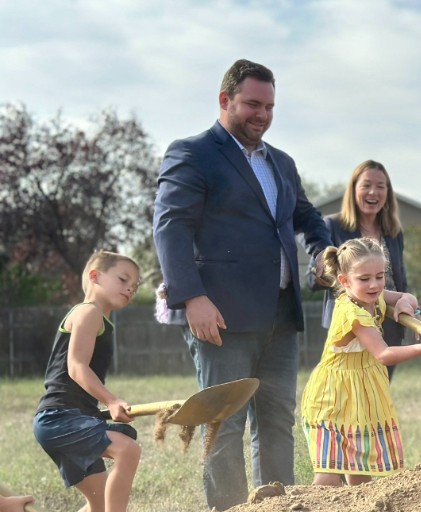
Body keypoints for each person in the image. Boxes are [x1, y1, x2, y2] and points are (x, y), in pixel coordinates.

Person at [152, 59, 333, 509]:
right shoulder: (192, 153)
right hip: (221, 317)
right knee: (224, 424)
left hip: (280, 316)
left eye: (270, 106)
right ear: (224, 100)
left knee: (277, 421)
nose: (263, 115)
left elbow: (307, 217)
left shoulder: (282, 163)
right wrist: (191, 296)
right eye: (253, 103)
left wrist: (325, 252)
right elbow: (170, 226)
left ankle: (278, 506)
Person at [300, 238, 421, 486]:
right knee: (329, 474)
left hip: (361, 397)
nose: (374, 285)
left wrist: (408, 305)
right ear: (344, 281)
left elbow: (406, 295)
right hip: (333, 397)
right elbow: (384, 355)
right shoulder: (352, 313)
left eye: (379, 276)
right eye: (364, 279)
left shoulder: (372, 297)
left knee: (361, 473)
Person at [33, 251, 142, 512]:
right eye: (123, 279)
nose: (130, 288)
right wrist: (112, 400)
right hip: (60, 418)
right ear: (95, 276)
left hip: (63, 419)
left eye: (135, 287)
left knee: (100, 503)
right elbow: (76, 367)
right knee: (127, 451)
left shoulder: (100, 320)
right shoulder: (88, 312)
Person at [308, 160, 408, 380]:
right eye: (366, 185)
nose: (373, 192)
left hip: (388, 323)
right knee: (347, 395)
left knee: (378, 395)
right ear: (353, 189)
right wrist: (339, 274)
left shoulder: (393, 232)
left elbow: (401, 280)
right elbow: (311, 280)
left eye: (381, 186)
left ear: (388, 193)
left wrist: (410, 309)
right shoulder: (331, 226)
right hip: (351, 326)